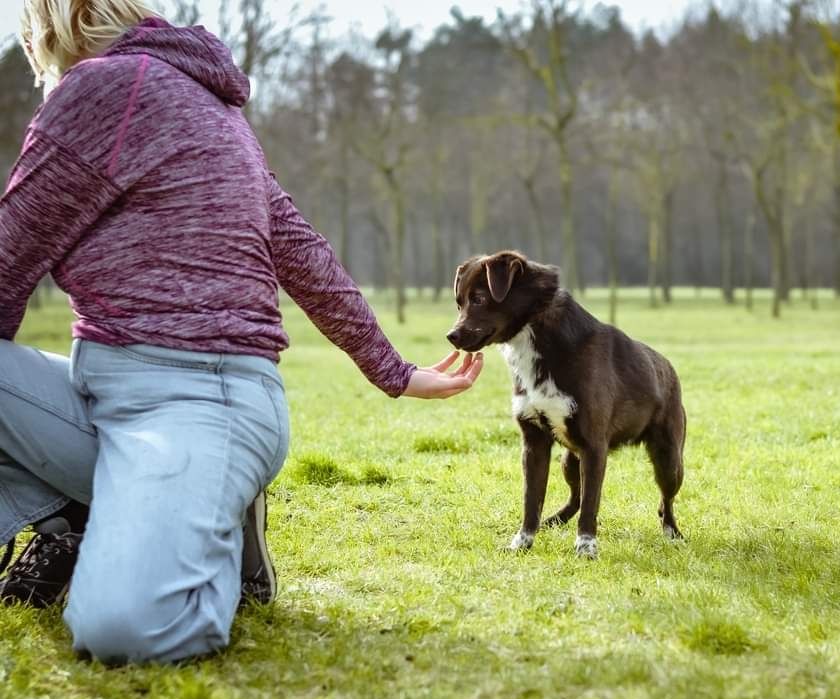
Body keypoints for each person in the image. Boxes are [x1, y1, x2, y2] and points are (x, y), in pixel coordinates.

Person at [0, 0, 483, 665]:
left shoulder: (109, 89)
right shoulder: (209, 104)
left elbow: (7, 258)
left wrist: (395, 374)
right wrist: (394, 372)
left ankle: (213, 545)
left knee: (119, 629)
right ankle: (78, 520)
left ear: (65, 16)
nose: (28, 45)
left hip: (202, 401)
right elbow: (304, 251)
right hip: (106, 397)